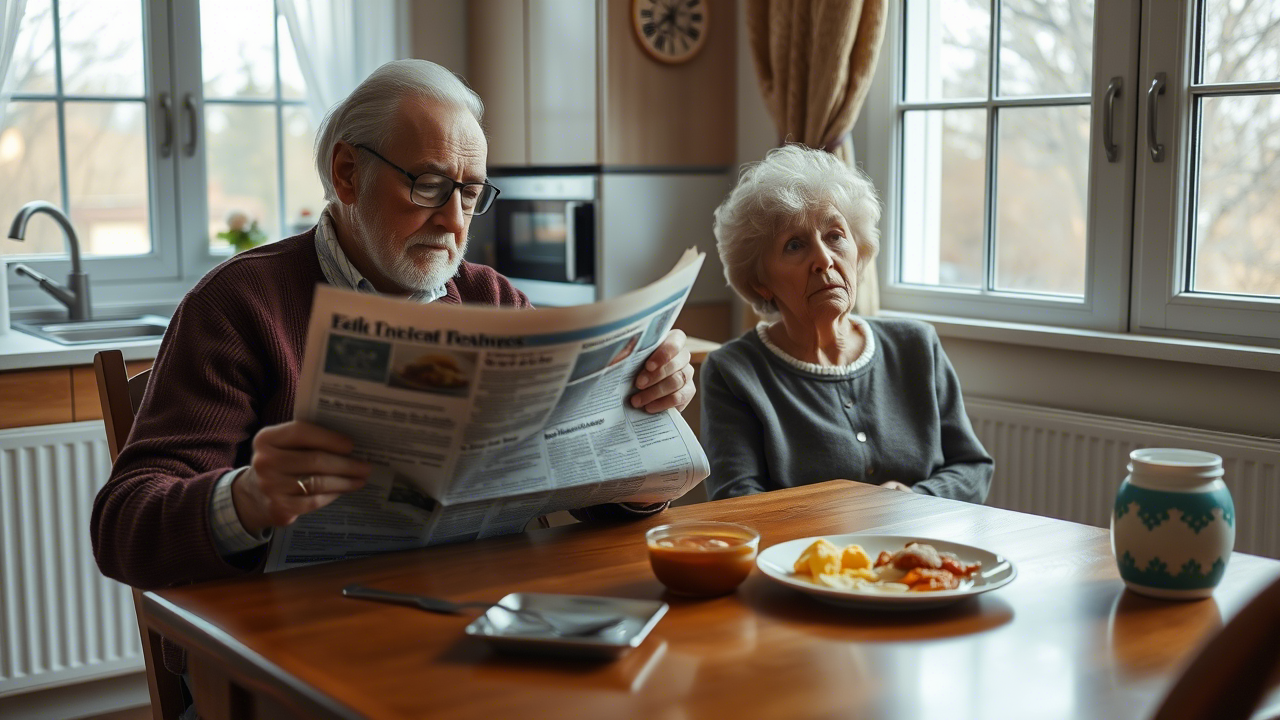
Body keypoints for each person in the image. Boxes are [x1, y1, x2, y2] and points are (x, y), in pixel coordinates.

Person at [91, 59, 697, 596]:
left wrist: (642, 435)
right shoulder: (239, 304)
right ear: (347, 173)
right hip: (297, 634)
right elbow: (123, 528)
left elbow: (574, 483)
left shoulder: (492, 300)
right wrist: (245, 499)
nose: (454, 221)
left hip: (478, 615)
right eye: (429, 185)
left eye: (471, 193)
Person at [699, 144, 992, 502]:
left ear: (860, 250)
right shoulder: (734, 371)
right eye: (794, 245)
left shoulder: (916, 345)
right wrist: (853, 515)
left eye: (835, 236)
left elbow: (972, 467)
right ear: (761, 281)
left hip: (919, 538)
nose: (824, 260)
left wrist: (914, 501)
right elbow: (736, 501)